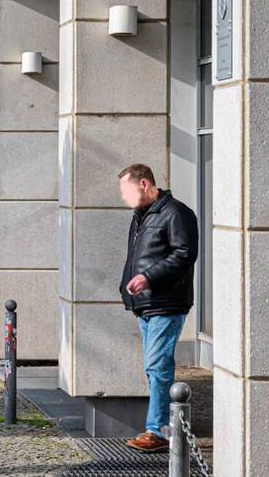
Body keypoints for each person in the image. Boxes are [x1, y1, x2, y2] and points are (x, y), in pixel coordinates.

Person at [117, 164, 198, 453]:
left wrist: (148, 277)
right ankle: (160, 429)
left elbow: (185, 253)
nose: (124, 198)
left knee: (158, 366)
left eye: (126, 191)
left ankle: (159, 431)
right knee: (153, 368)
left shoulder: (176, 213)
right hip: (146, 304)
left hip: (166, 302)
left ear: (144, 184)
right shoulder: (142, 216)